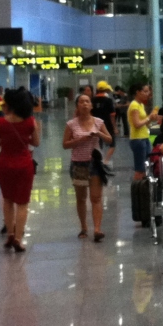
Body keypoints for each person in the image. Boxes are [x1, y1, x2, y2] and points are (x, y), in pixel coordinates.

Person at [0, 87, 39, 252]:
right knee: (22, 203)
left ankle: (10, 234)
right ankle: (18, 238)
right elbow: (36, 142)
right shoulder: (30, 121)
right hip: (24, 165)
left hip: (5, 164)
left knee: (8, 200)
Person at [62, 93, 114, 242]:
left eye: (87, 101)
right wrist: (80, 140)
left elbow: (109, 139)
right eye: (81, 102)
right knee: (81, 198)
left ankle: (97, 228)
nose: (85, 104)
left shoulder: (98, 122)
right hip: (78, 164)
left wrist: (99, 134)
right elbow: (65, 144)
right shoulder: (71, 124)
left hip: (95, 163)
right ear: (77, 106)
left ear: (91, 105)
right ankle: (84, 227)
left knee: (96, 197)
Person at [127, 83, 161, 181]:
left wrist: (151, 119)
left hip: (144, 137)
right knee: (140, 168)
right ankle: (137, 187)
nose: (148, 93)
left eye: (148, 91)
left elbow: (145, 123)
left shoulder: (141, 104)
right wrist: (149, 118)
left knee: (147, 165)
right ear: (138, 92)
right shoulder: (134, 105)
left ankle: (143, 185)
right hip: (138, 139)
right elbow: (137, 124)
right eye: (145, 91)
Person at [92, 81, 118, 163]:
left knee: (98, 144)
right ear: (106, 90)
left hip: (95, 125)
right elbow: (112, 115)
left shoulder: (92, 100)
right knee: (112, 144)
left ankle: (98, 160)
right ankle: (106, 160)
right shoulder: (108, 101)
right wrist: (115, 127)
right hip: (108, 125)